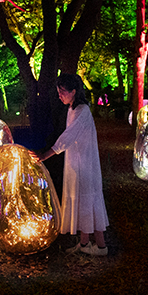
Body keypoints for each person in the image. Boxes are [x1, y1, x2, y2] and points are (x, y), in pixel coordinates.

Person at [36, 73, 109, 256]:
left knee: (88, 200)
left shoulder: (82, 110)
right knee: (82, 200)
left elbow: (69, 136)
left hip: (85, 164)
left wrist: (48, 153)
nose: (60, 95)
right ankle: (84, 244)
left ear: (74, 91)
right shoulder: (72, 109)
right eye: (58, 92)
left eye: (62, 92)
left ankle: (101, 247)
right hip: (76, 164)